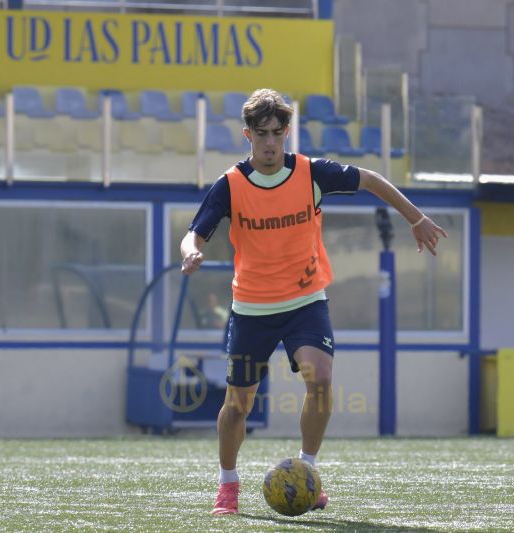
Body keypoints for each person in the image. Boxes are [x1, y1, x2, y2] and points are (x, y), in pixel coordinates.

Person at [179, 88, 448, 515]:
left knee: (319, 379)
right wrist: (190, 251)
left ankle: (307, 472)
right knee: (237, 407)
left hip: (305, 302)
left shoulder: (311, 173)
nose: (270, 142)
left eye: (277, 133)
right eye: (261, 133)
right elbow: (195, 232)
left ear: (287, 132)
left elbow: (372, 180)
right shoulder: (229, 185)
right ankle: (228, 484)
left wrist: (416, 218)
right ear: (247, 134)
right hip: (251, 310)